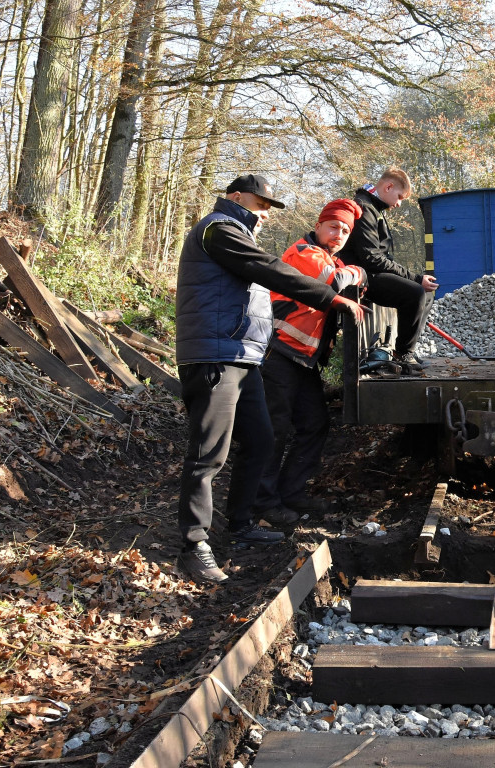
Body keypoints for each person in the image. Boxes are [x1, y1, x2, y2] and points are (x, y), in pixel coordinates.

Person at [175, 174, 365, 585]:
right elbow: (267, 270)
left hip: (243, 357)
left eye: (266, 208)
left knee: (261, 440)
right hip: (213, 354)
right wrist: (331, 296)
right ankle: (193, 546)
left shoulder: (235, 234)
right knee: (209, 453)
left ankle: (240, 525)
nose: (263, 214)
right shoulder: (218, 230)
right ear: (235, 197)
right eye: (259, 205)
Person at [254, 199, 367, 522]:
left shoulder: (330, 258)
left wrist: (355, 273)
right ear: (318, 226)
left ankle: (291, 493)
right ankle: (263, 504)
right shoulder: (304, 254)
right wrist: (356, 271)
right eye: (333, 226)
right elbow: (334, 282)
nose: (339, 234)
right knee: (273, 430)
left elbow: (356, 280)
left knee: (314, 424)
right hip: (280, 353)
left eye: (345, 230)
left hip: (303, 360)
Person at [340, 167, 437, 372]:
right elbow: (372, 258)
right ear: (388, 186)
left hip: (372, 271)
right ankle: (403, 355)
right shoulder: (364, 208)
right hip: (363, 276)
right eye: (399, 197)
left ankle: (406, 351)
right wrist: (415, 278)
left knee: (426, 293)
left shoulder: (374, 208)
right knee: (416, 292)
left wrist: (415, 278)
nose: (399, 203)